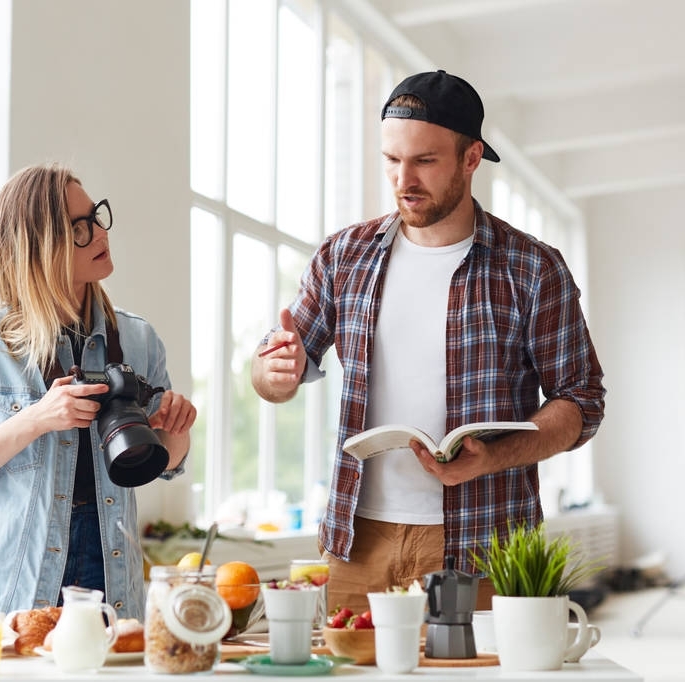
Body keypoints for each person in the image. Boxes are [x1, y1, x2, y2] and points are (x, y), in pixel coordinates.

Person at [251, 71, 605, 612]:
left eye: (424, 160)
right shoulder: (344, 256)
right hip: (357, 539)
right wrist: (274, 374)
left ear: (471, 158)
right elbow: (272, 371)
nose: (404, 179)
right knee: (349, 661)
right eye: (392, 159)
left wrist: (492, 456)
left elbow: (582, 400)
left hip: (486, 542)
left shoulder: (533, 269)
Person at [0, 163, 195, 619]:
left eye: (96, 217)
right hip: (7, 594)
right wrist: (36, 418)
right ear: (38, 246)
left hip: (111, 577)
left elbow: (165, 463)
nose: (101, 233)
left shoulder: (137, 339)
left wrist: (177, 429)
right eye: (79, 228)